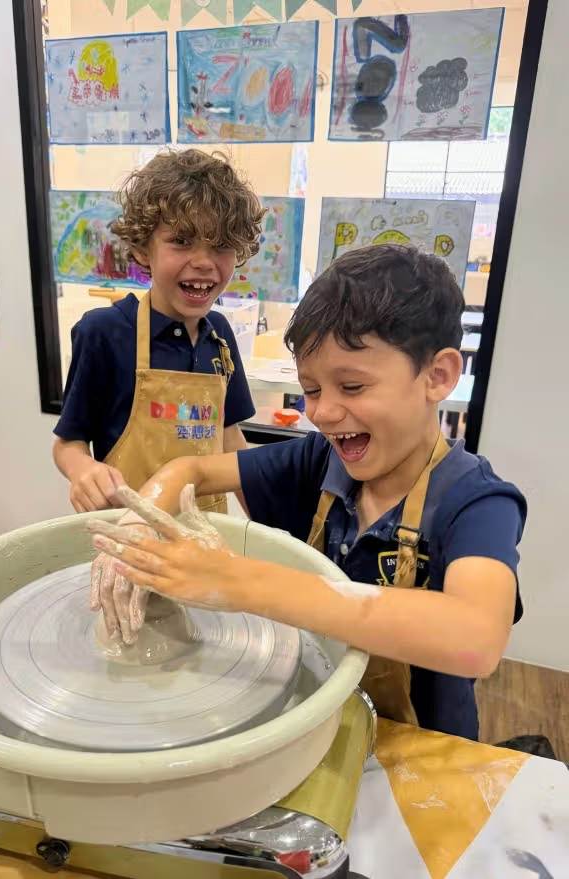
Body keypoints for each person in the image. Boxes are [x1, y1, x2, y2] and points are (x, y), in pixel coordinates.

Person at [88, 244, 527, 740]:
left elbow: (477, 638)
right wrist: (139, 520)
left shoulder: (477, 502)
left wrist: (238, 582)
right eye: (312, 389)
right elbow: (191, 469)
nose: (322, 413)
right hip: (319, 722)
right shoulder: (316, 459)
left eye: (353, 387)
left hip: (422, 746)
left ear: (438, 376)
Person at [53, 148, 263, 517]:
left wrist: (266, 523)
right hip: (128, 532)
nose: (202, 261)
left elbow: (230, 439)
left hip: (209, 532)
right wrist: (83, 471)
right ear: (142, 247)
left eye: (220, 245)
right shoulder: (104, 333)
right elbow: (67, 444)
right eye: (181, 241)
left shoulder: (220, 335)